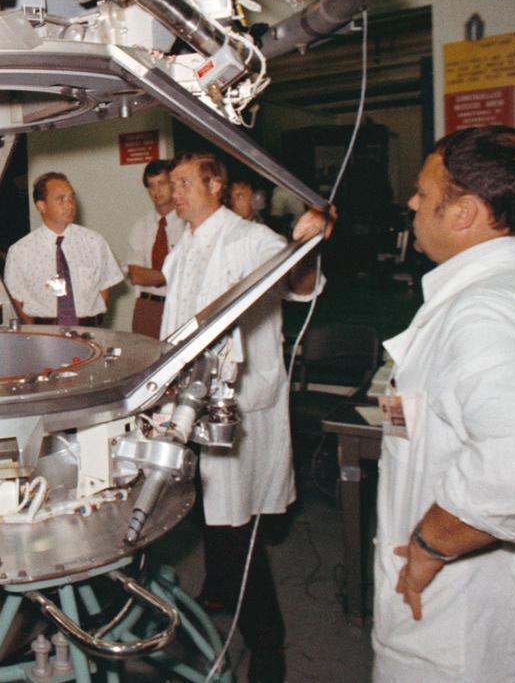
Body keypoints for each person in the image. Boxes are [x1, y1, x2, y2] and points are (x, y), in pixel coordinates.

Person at [371, 126, 515, 682]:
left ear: (464, 212)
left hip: (475, 621)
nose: (412, 203)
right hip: (514, 605)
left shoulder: (485, 311)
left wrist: (428, 545)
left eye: (423, 192)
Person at [160, 152, 329, 683]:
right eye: (173, 183)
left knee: (236, 523)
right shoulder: (184, 245)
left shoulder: (250, 239)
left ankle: (268, 643)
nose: (175, 192)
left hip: (240, 405)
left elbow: (300, 287)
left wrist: (307, 245)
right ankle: (218, 596)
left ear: (215, 184)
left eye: (185, 182)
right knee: (202, 510)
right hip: (188, 399)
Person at [4, 172, 122, 326]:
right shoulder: (20, 251)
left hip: (89, 331)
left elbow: (104, 288)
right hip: (44, 334)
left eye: (71, 198)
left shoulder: (94, 242)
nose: (70, 204)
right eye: (60, 199)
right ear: (42, 206)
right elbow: (17, 299)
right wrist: (36, 332)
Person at [125, 159, 184, 337]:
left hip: (178, 306)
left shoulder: (187, 225)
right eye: (151, 186)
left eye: (162, 184)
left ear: (173, 185)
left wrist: (154, 277)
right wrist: (174, 276)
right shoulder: (140, 227)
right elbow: (136, 275)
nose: (156, 191)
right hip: (148, 308)